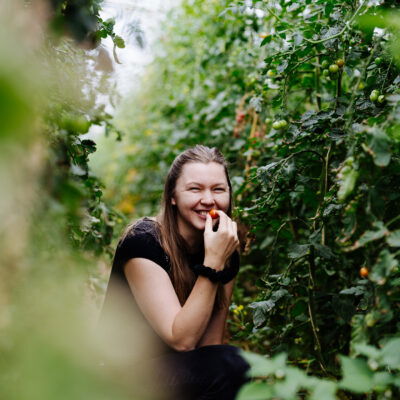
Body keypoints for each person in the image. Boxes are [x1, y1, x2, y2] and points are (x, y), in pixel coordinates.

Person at [99, 145, 250, 400]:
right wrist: (212, 263)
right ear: (172, 196)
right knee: (230, 363)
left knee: (232, 364)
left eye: (218, 189)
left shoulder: (225, 247)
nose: (208, 199)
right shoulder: (144, 241)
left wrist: (218, 257)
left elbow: (210, 345)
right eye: (195, 189)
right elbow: (182, 340)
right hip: (120, 378)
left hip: (177, 373)